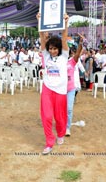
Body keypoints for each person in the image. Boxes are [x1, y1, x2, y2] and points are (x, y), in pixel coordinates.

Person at [37, 13, 69, 155]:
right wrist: (39, 21)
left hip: (61, 90)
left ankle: (61, 134)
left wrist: (65, 23)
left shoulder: (64, 55)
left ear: (59, 49)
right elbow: (42, 37)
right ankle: (49, 142)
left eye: (55, 48)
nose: (52, 51)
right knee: (47, 116)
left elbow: (64, 38)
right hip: (47, 89)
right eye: (50, 48)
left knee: (60, 117)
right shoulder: (46, 55)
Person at [66, 34, 85, 137]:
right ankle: (62, 124)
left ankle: (67, 127)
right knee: (60, 109)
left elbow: (78, 53)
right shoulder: (58, 61)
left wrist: (80, 43)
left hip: (70, 88)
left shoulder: (72, 61)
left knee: (69, 108)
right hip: (59, 89)